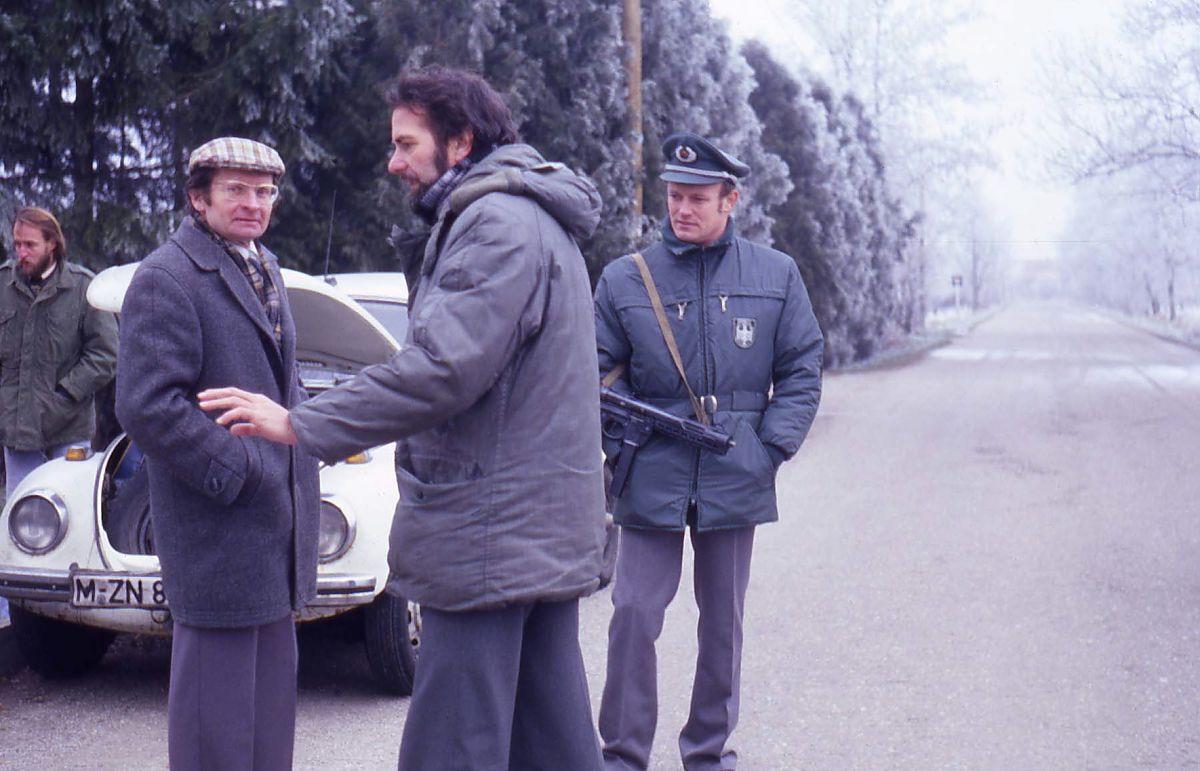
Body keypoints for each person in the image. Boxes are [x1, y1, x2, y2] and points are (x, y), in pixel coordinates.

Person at [198, 66, 608, 770]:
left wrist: (301, 422)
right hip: (531, 527)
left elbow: (442, 369)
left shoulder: (496, 224)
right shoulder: (525, 216)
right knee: (550, 741)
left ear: (462, 140)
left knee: (453, 745)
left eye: (406, 143)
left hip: (489, 532)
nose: (392, 162)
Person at [593, 132, 824, 771]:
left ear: (731, 200)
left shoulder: (776, 275)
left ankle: (706, 751)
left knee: (722, 624)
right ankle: (621, 755)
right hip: (650, 473)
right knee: (634, 615)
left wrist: (770, 447)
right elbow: (598, 371)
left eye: (697, 197)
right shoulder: (625, 278)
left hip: (735, 472)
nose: (682, 209)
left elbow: (803, 365)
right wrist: (624, 445)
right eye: (674, 196)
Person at [115, 137, 320, 770]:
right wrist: (242, 471)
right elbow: (147, 404)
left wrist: (313, 432)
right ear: (197, 199)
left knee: (265, 736)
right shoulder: (167, 276)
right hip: (217, 534)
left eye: (265, 192)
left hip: (273, 538)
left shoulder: (265, 266)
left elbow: (284, 385)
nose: (254, 204)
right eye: (236, 190)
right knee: (216, 736)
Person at [1, 206, 118, 626]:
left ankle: (71, 618)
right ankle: (17, 617)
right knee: (19, 521)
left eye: (30, 245)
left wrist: (66, 393)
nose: (21, 253)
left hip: (67, 427)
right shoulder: (3, 286)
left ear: (53, 243)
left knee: (70, 517)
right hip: (17, 430)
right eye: (16, 244)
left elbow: (106, 355)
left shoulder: (85, 289)